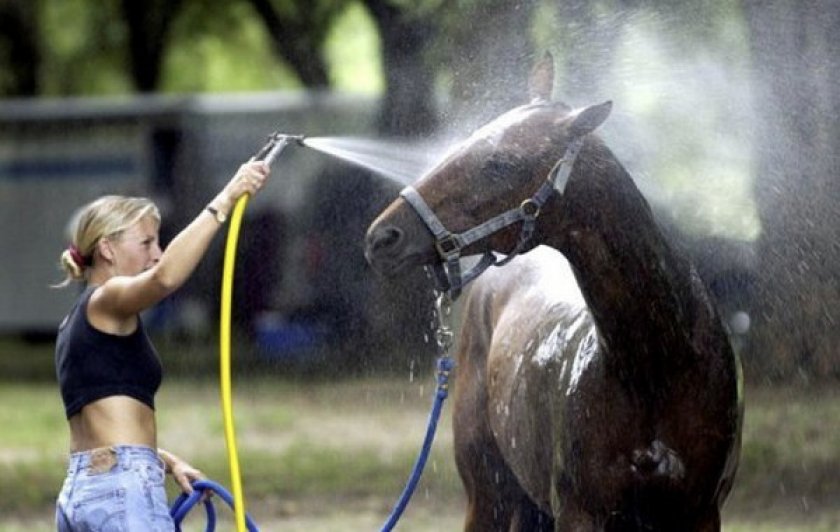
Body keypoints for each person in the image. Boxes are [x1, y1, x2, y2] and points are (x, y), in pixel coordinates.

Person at [53, 159, 270, 530]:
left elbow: (104, 434)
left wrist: (165, 461)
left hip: (84, 490)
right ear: (107, 249)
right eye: (147, 242)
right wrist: (227, 197)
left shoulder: (73, 321)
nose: (156, 253)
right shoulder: (108, 298)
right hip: (123, 494)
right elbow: (166, 277)